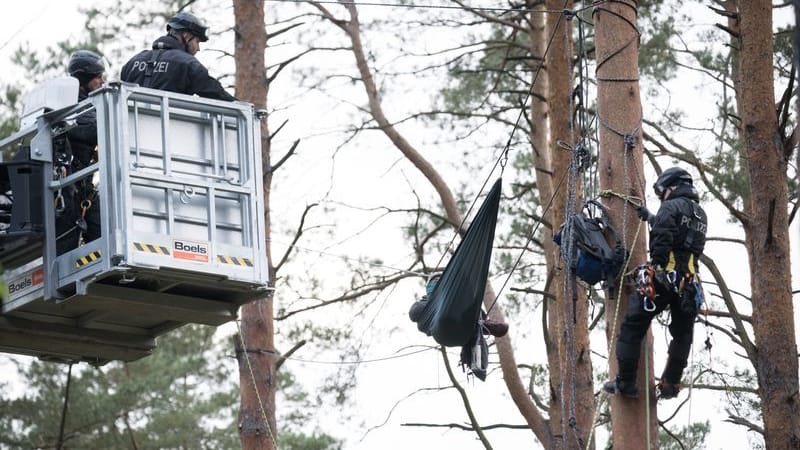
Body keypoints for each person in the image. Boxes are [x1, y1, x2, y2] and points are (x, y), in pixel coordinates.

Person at [604, 166, 708, 400]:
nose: (662, 196)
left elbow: (663, 238)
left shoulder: (670, 207)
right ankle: (671, 383)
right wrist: (652, 218)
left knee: (633, 324)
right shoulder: (700, 214)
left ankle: (626, 382)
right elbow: (682, 237)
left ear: (672, 187)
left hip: (665, 279)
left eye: (663, 191)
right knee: (683, 334)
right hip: (690, 284)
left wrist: (656, 266)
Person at [120, 12, 236, 101]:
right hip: (171, 130)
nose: (198, 48)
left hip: (131, 129)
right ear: (186, 36)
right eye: (197, 41)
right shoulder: (188, 63)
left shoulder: (132, 62)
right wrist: (242, 107)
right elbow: (215, 92)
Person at [57, 50, 105, 252]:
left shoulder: (84, 104)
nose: (102, 81)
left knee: (103, 234)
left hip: (81, 189)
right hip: (69, 192)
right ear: (85, 79)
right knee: (67, 247)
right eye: (97, 77)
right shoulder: (77, 107)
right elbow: (97, 130)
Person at [408, 273, 508, 338]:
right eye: (435, 281)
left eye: (440, 280)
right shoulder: (422, 302)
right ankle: (480, 326)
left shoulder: (453, 295)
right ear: (429, 286)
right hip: (439, 327)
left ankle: (483, 326)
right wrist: (433, 306)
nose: (438, 282)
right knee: (422, 324)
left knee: (466, 303)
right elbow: (414, 314)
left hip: (457, 319)